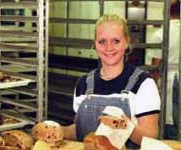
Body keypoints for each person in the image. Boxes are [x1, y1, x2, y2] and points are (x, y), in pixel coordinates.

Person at [62, 13, 161, 149]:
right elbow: (80, 129)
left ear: (127, 42)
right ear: (95, 44)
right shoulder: (83, 83)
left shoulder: (143, 83)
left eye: (116, 41)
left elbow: (150, 137)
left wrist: (126, 127)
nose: (109, 48)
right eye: (102, 41)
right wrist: (61, 131)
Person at [146, 0, 180, 138]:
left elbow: (155, 65)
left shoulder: (161, 34)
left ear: (166, 12)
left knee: (170, 118)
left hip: (169, 80)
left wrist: (150, 89)